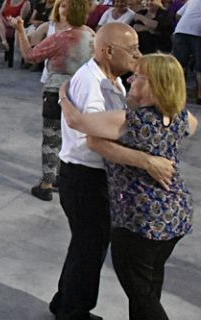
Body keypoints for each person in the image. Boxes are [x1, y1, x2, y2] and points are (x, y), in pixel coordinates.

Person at [49, 23, 174, 320]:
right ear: (107, 51)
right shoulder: (93, 83)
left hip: (94, 177)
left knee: (86, 245)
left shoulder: (114, 79)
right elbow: (95, 139)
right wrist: (146, 160)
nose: (137, 56)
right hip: (85, 178)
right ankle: (74, 311)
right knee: (89, 248)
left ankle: (65, 301)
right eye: (131, 50)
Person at [12, 0, 94, 201]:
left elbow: (30, 56)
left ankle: (47, 183)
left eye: (63, 7)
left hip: (56, 92)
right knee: (73, 140)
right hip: (82, 94)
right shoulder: (92, 36)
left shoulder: (60, 38)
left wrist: (20, 30)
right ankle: (62, 178)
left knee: (51, 139)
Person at [173, 0, 201, 104]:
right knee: (200, 68)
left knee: (179, 65)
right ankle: (200, 97)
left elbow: (178, 15)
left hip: (181, 31)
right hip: (198, 34)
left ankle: (176, 94)